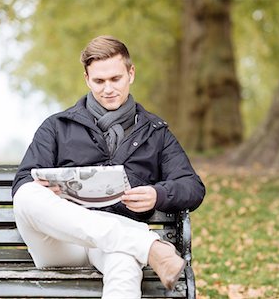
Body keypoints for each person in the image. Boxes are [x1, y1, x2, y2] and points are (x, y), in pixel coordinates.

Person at [12, 35, 205, 299]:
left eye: (115, 79)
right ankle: (149, 246)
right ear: (87, 79)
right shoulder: (56, 126)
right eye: (99, 81)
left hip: (115, 245)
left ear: (131, 73)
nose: (108, 89)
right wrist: (49, 188)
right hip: (62, 244)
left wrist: (157, 195)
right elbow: (23, 180)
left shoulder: (155, 132)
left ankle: (137, 244)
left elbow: (192, 187)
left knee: (124, 263)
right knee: (26, 195)